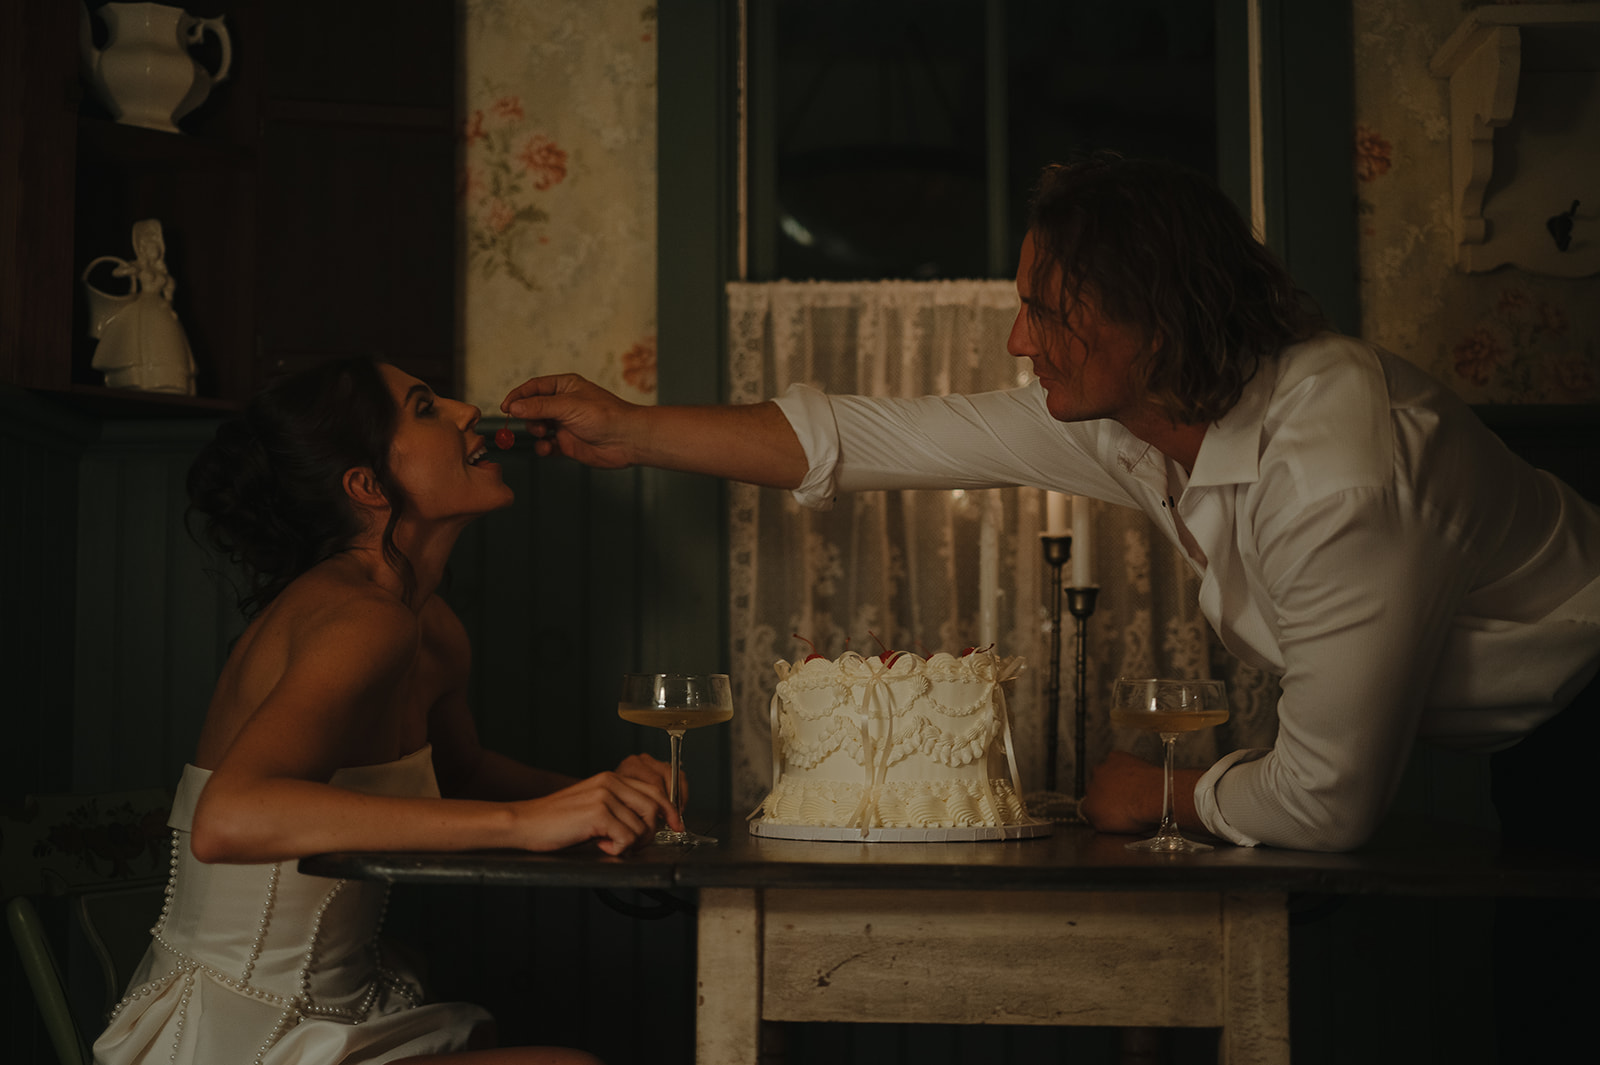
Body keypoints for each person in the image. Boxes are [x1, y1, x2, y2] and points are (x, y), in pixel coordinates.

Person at [500, 154, 1600, 858]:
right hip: (1532, 749)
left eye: (1046, 311)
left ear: (1156, 326)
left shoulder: (1336, 478)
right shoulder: (1144, 418)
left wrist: (1167, 790)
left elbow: (1325, 807)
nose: (1020, 341)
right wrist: (631, 429)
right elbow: (870, 437)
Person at [94, 357, 681, 1065]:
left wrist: (603, 796)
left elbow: (458, 773)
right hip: (236, 1034)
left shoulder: (428, 625)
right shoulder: (359, 617)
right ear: (368, 486)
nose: (469, 411)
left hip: (339, 1012)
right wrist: (528, 823)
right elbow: (228, 818)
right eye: (427, 406)